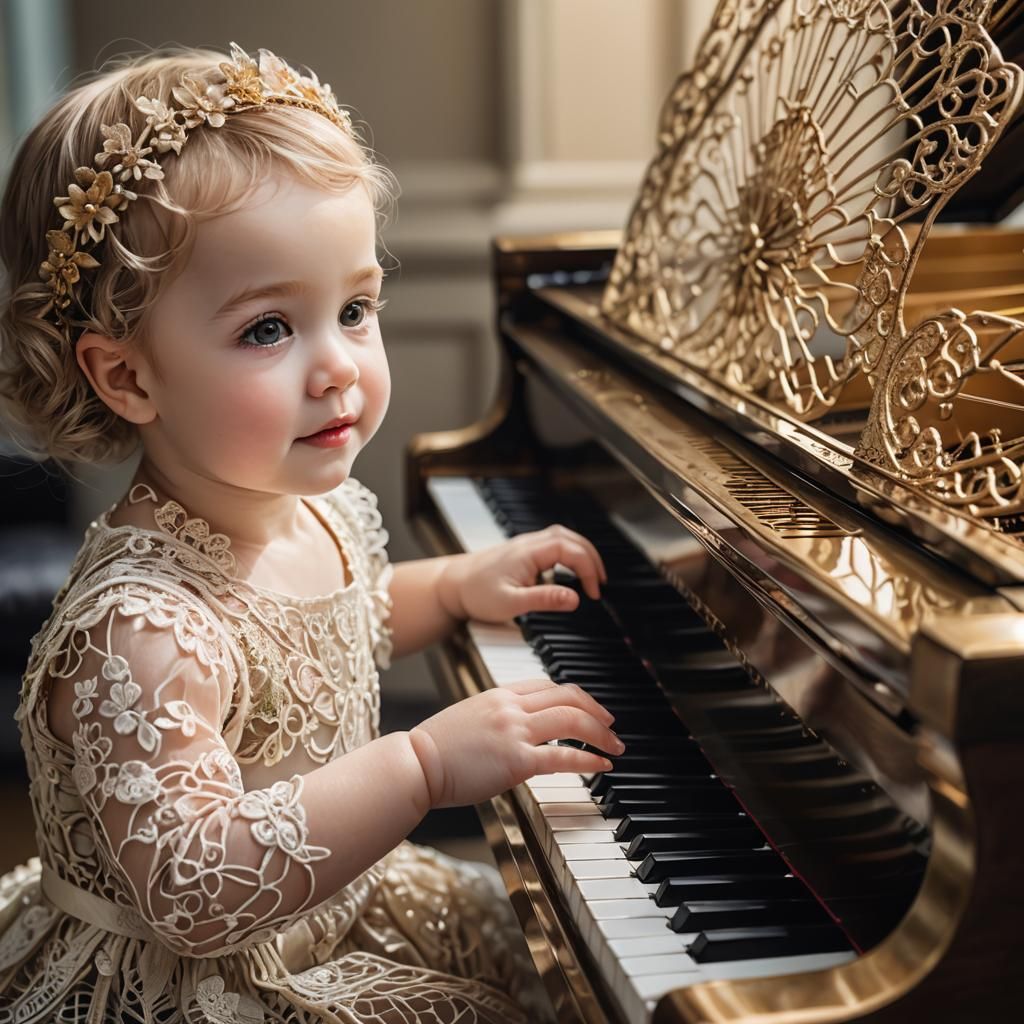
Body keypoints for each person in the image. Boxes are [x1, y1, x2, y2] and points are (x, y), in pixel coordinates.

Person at [0, 44, 623, 1024]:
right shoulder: (144, 631)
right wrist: (420, 768)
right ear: (127, 376)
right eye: (267, 329)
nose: (337, 366)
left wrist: (454, 584)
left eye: (356, 309)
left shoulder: (316, 512)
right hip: (208, 983)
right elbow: (195, 891)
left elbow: (331, 628)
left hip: (325, 908)